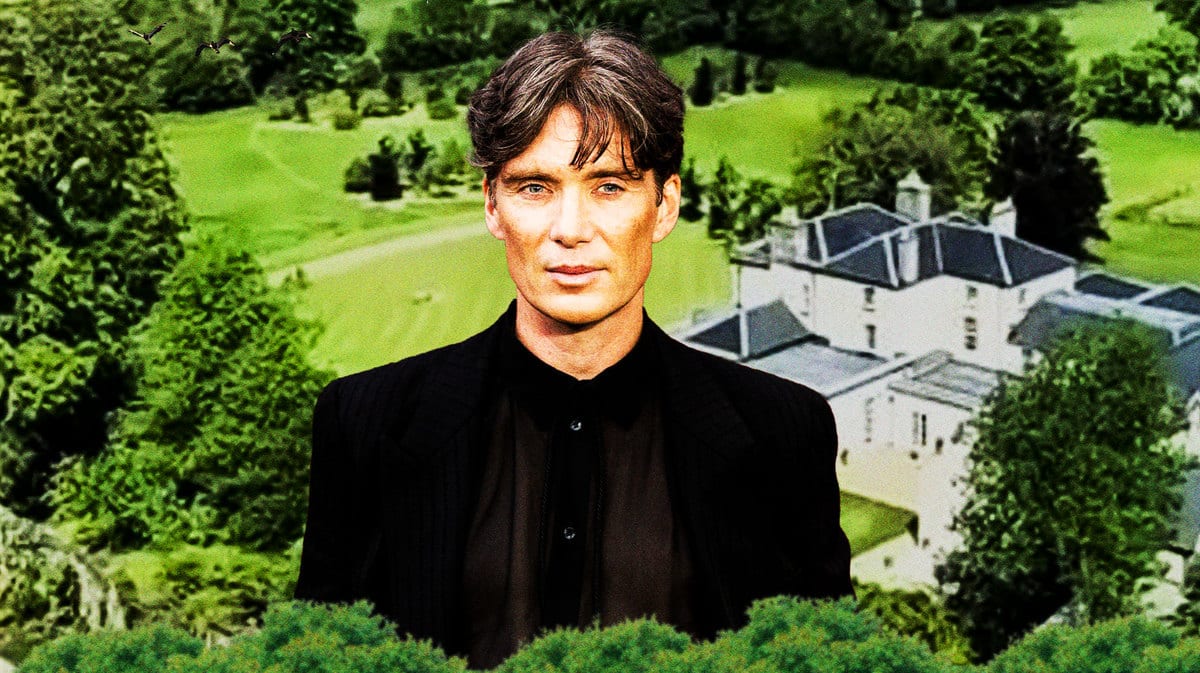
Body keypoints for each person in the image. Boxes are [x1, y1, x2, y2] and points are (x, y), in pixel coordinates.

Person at [294, 29, 852, 669]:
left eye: (609, 186)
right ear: (493, 207)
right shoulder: (364, 423)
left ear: (664, 205)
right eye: (535, 187)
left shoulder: (784, 434)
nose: (570, 230)